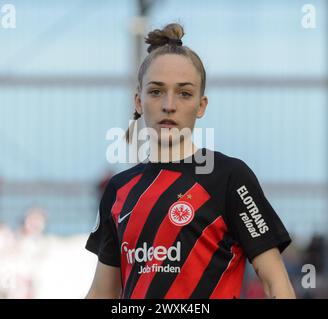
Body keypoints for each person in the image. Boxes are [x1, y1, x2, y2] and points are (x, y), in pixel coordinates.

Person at [85, 23, 295, 299]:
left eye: (184, 93)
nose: (169, 104)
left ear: (201, 105)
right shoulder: (118, 190)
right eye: (156, 91)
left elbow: (276, 284)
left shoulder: (229, 177)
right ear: (138, 101)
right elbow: (102, 293)